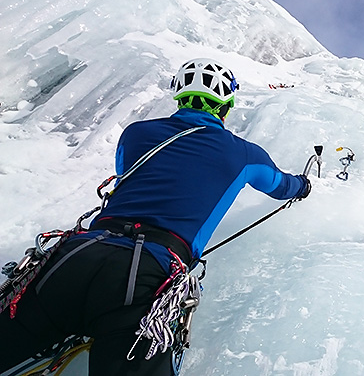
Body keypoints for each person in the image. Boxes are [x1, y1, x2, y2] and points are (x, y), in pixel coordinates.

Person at [0, 58, 312, 375]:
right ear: (227, 105)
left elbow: (126, 174)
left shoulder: (137, 134)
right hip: (149, 273)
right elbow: (279, 184)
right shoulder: (244, 153)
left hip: (76, 256)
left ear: (178, 94)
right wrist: (304, 185)